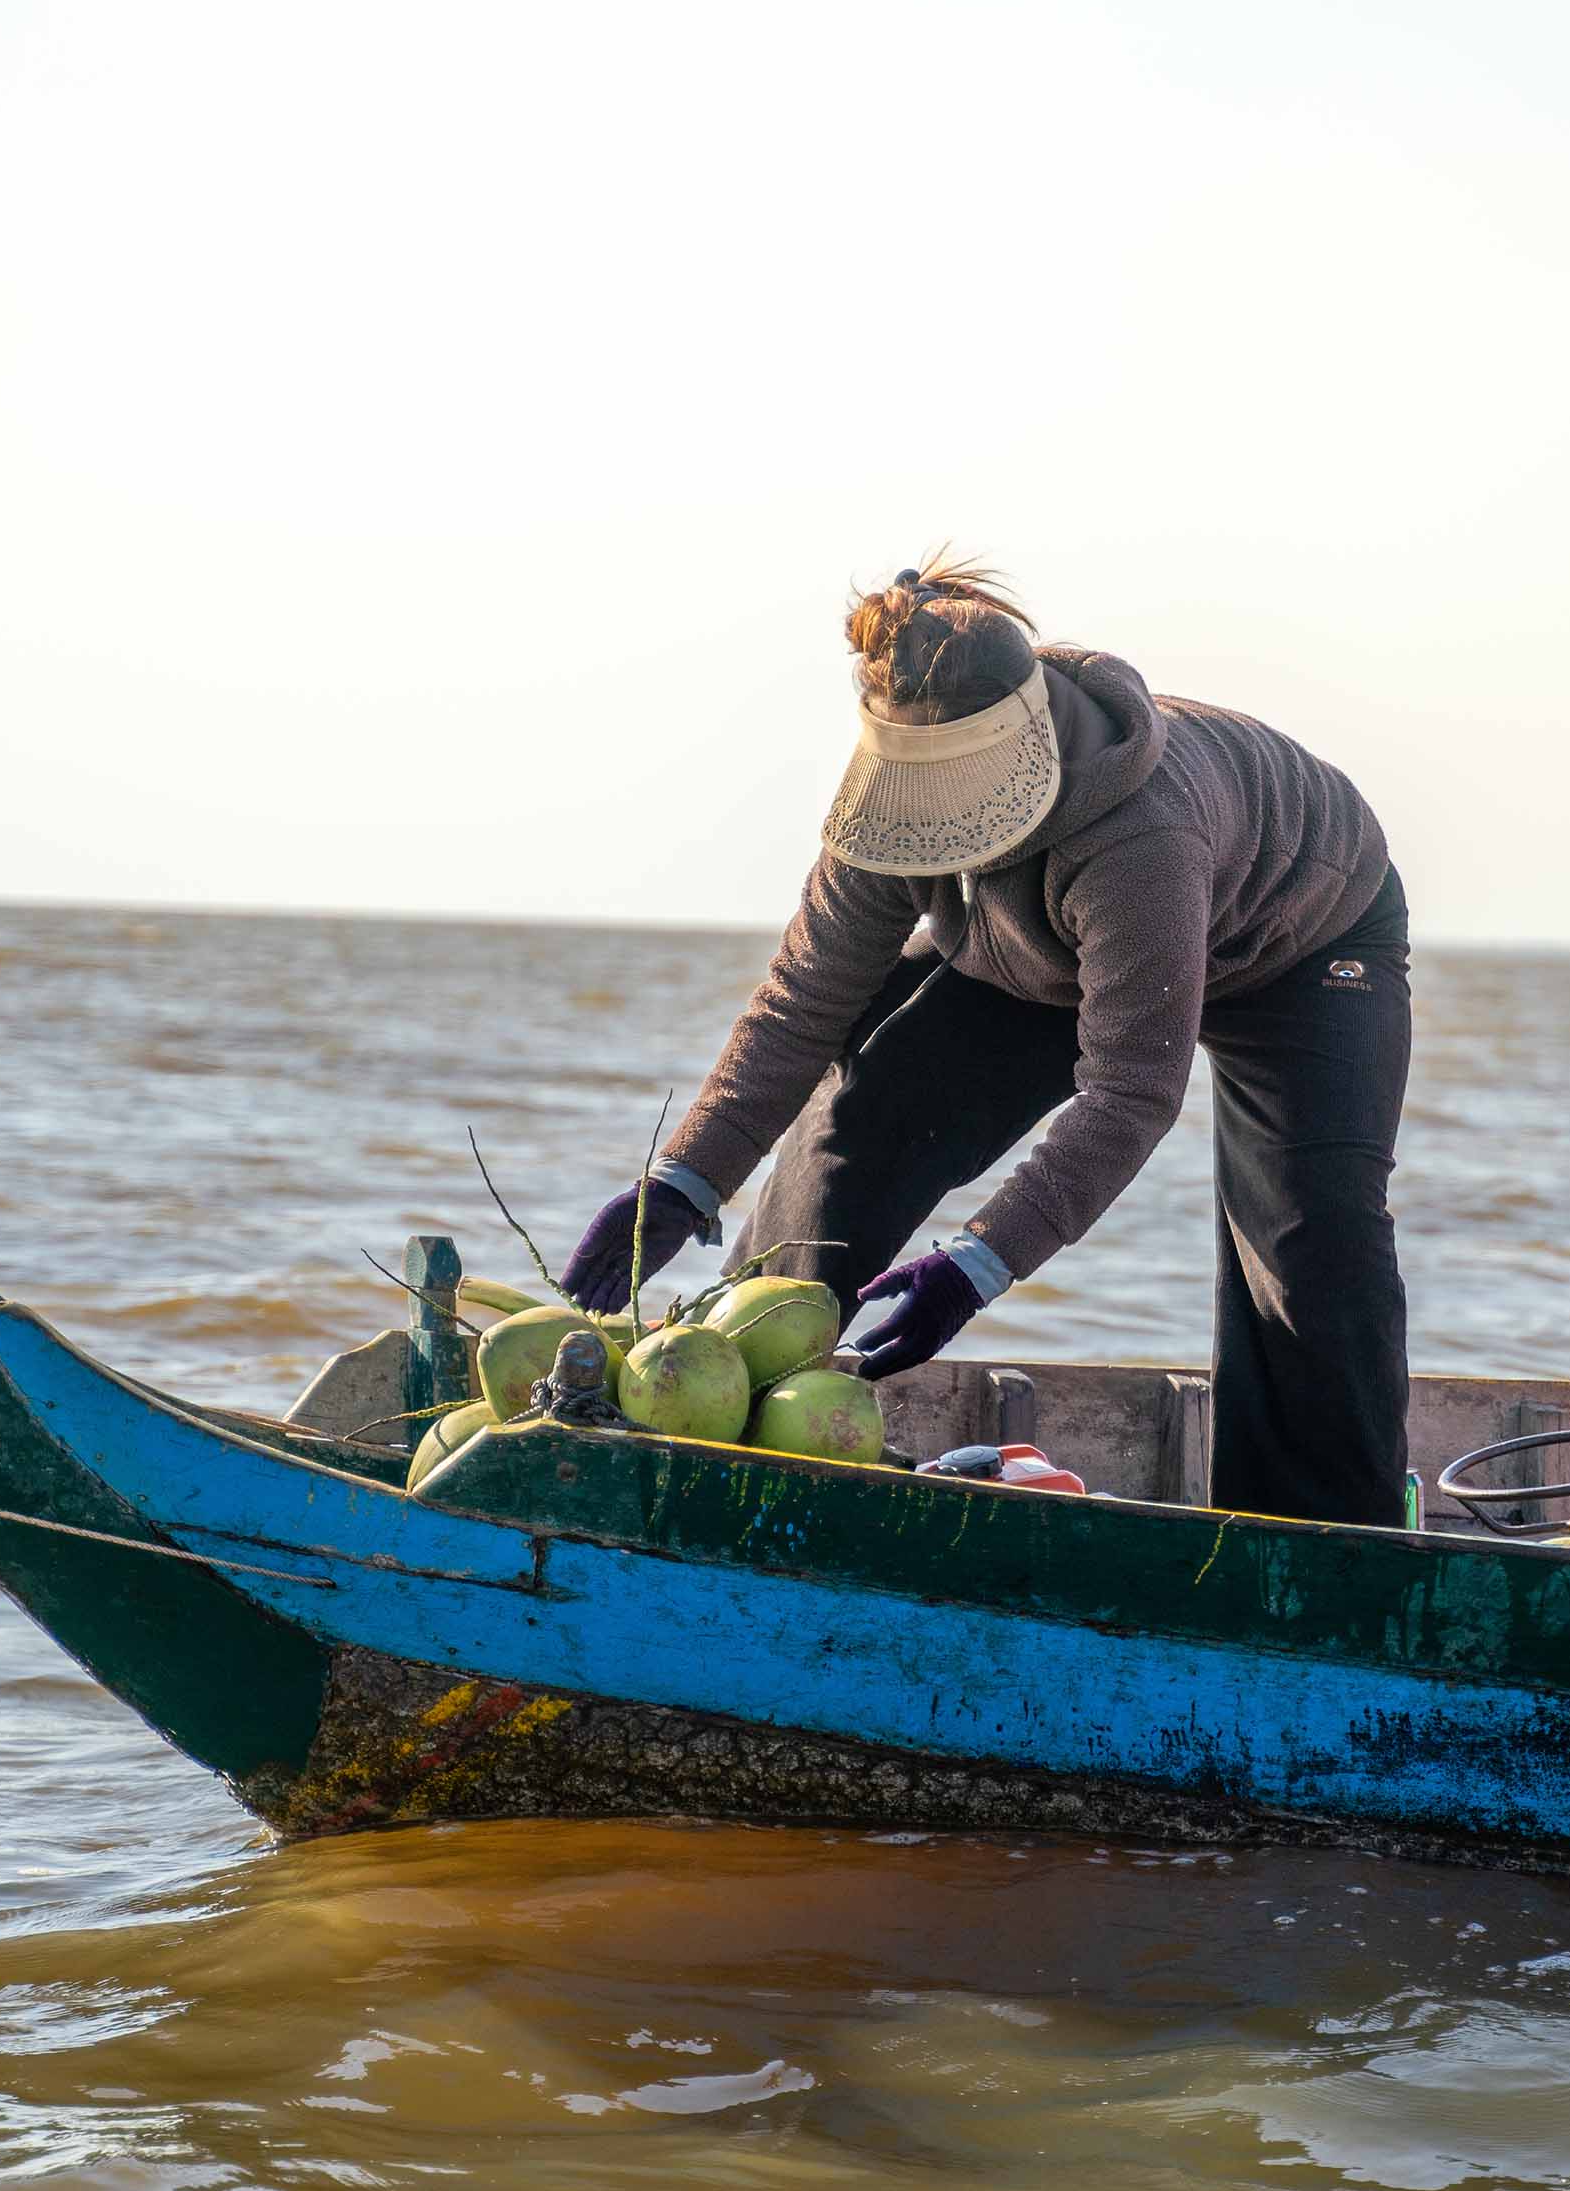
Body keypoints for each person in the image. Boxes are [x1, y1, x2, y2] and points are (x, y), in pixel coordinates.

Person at [561, 560, 1415, 1527]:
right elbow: (803, 1003)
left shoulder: (1143, 834)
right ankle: (733, 1406)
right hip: (1037, 952)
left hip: (1305, 944)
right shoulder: (888, 801)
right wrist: (686, 1179)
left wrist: (978, 1261)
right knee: (868, 1114)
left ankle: (1325, 1544)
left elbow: (1132, 1091)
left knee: (1311, 1246)